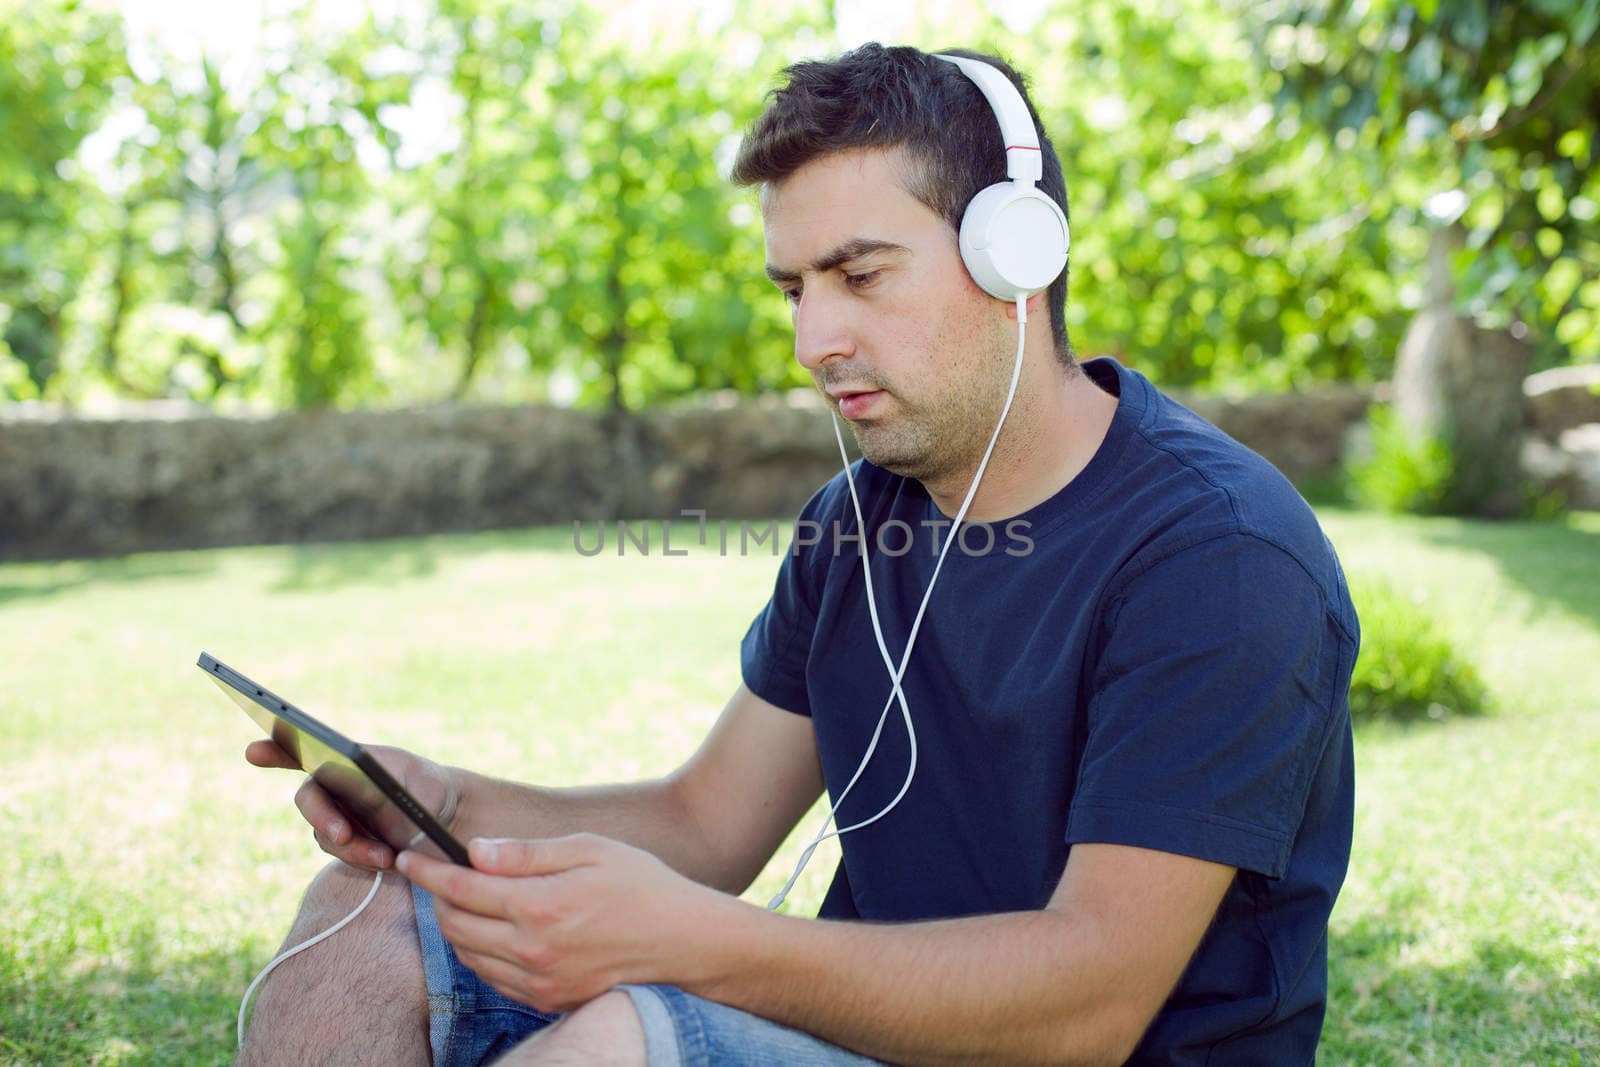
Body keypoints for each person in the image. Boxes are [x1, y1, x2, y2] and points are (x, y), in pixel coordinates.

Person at [238, 42, 1356, 1066]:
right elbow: (703, 826)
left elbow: (1087, 1004)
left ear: (1017, 256)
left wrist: (700, 946)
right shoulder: (855, 522)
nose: (812, 340)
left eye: (860, 275)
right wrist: (453, 799)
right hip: (858, 1025)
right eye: (792, 287)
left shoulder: (1219, 555)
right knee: (372, 911)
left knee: (627, 1040)